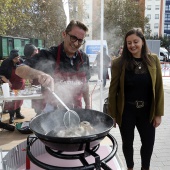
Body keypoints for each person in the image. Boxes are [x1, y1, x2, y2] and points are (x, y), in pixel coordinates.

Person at [108, 28, 164, 170]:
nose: (132, 45)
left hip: (147, 111)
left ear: (143, 42)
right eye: (128, 43)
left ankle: (145, 168)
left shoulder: (153, 60)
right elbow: (113, 90)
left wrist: (158, 114)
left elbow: (158, 88)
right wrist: (112, 115)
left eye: (135, 42)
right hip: (126, 111)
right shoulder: (119, 63)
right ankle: (130, 168)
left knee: (148, 143)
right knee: (127, 143)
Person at [15, 20, 91, 112]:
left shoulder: (84, 58)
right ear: (64, 34)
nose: (76, 43)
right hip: (51, 113)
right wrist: (40, 74)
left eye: (80, 40)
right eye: (73, 38)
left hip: (76, 112)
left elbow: (85, 84)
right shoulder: (48, 54)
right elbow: (19, 69)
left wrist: (88, 106)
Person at [0, 49, 26, 124]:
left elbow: (26, 70)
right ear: (11, 58)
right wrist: (7, 81)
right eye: (15, 58)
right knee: (12, 101)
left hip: (20, 83)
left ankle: (18, 113)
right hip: (11, 83)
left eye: (18, 57)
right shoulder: (6, 63)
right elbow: (1, 75)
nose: (17, 59)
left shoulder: (21, 61)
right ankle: (11, 115)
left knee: (19, 99)